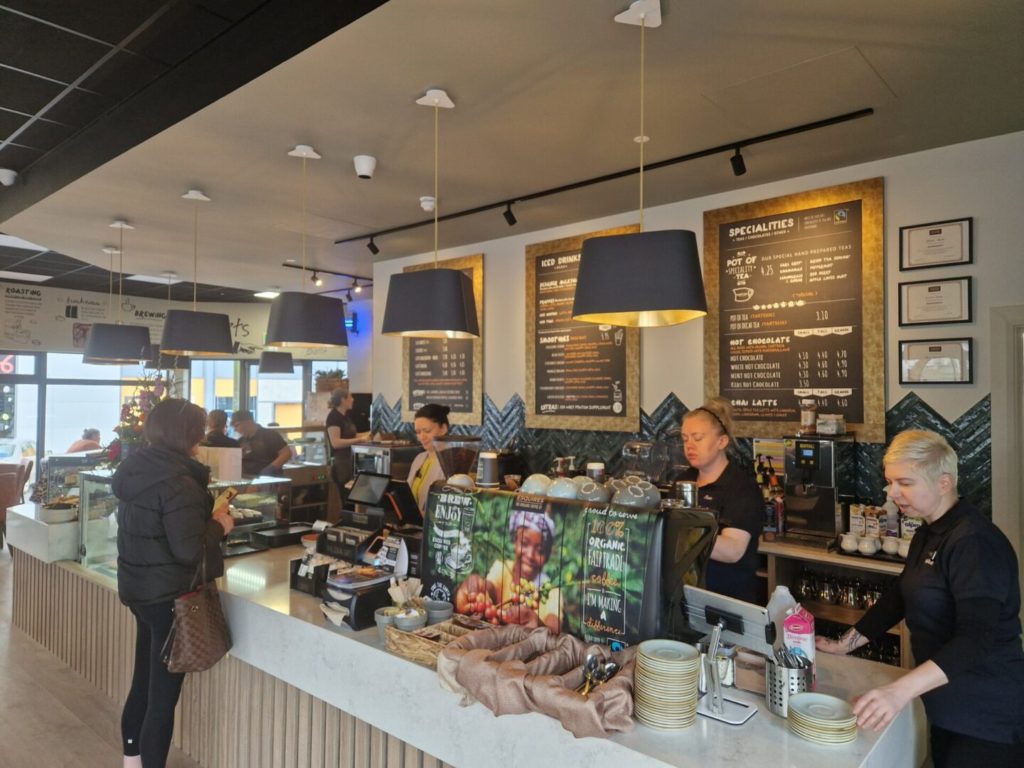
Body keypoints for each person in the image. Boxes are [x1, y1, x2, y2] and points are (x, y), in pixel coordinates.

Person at [816, 430, 1023, 767]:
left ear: (944, 483)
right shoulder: (928, 531)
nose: (892, 493)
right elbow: (900, 596)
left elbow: (976, 640)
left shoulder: (973, 542)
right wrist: (844, 644)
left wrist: (899, 691)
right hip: (947, 703)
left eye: (905, 483)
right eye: (890, 482)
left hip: (986, 715)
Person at [112, 399, 236, 767]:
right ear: (188, 435)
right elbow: (188, 550)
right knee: (162, 701)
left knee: (142, 684)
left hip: (140, 589)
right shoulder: (180, 482)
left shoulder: (138, 468)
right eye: (199, 430)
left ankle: (131, 762)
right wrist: (219, 525)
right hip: (170, 597)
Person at [679, 397, 763, 602]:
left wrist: (676, 533)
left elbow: (732, 551)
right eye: (685, 439)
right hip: (686, 596)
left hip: (727, 601)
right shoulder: (683, 480)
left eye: (697, 438)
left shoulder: (741, 488)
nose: (689, 445)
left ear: (722, 442)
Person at [454, 509, 562, 633]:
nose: (530, 555)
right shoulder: (502, 567)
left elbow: (554, 630)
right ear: (515, 542)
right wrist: (477, 593)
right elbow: (488, 589)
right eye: (524, 543)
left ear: (547, 556)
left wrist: (539, 627)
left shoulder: (552, 591)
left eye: (540, 550)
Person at [406, 403, 450, 512]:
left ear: (443, 428)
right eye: (418, 432)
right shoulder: (419, 459)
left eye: (427, 431)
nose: (421, 437)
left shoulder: (451, 463)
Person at [325, 387, 367, 490]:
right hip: (341, 464)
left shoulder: (345, 416)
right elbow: (336, 443)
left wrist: (369, 434)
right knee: (346, 494)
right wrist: (358, 440)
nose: (353, 399)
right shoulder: (333, 417)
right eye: (350, 397)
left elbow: (352, 435)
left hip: (350, 461)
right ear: (343, 399)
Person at [230, 410, 291, 477]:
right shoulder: (241, 441)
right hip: (248, 478)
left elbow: (286, 453)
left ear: (249, 422)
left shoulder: (269, 435)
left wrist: (271, 468)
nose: (235, 430)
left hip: (270, 478)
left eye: (237, 425)